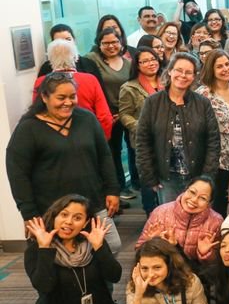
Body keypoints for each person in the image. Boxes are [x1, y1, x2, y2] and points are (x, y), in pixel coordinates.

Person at [7, 74, 121, 254]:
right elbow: (17, 173)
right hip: (52, 209)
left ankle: (101, 284)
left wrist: (112, 189)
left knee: (110, 247)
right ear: (44, 97)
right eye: (61, 97)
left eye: (72, 96)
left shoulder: (87, 119)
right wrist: (28, 212)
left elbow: (105, 157)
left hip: (92, 202)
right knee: (61, 258)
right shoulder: (28, 128)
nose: (68, 102)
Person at [136, 52, 221, 204]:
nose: (183, 75)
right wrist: (150, 177)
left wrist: (207, 178)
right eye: (179, 70)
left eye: (188, 72)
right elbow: (143, 142)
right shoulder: (152, 102)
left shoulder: (202, 103)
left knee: (198, 223)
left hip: (197, 176)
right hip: (167, 178)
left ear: (194, 76)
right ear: (170, 71)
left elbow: (213, 142)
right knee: (171, 222)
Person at [196, 50, 229, 216]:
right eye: (219, 66)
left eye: (227, 64)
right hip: (218, 160)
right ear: (211, 69)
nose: (225, 69)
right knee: (219, 206)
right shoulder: (203, 94)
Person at [87, 25, 134, 198]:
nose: (111, 46)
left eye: (114, 41)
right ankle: (117, 188)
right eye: (105, 43)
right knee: (112, 152)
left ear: (120, 42)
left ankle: (131, 184)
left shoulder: (128, 62)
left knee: (131, 149)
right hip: (107, 115)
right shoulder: (93, 60)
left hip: (126, 113)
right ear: (99, 45)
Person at [34, 39, 113, 139]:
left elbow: (37, 114)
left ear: (50, 59)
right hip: (87, 136)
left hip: (53, 139)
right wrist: (103, 140)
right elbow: (104, 116)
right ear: (76, 58)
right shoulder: (90, 80)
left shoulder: (41, 82)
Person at [135, 175, 222, 265]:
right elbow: (139, 251)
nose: (194, 200)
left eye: (203, 198)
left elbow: (217, 264)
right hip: (163, 271)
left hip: (196, 272)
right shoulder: (160, 212)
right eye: (192, 192)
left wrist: (205, 254)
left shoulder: (216, 221)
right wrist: (153, 243)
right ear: (185, 190)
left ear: (209, 202)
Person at [118, 47, 163, 215]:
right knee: (149, 181)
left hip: (170, 139)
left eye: (153, 59)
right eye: (145, 61)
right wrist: (142, 128)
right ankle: (152, 216)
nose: (151, 63)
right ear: (137, 65)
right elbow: (124, 115)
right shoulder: (129, 87)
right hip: (145, 141)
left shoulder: (169, 81)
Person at [37, 24, 102, 78]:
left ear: (74, 40)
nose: (64, 44)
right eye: (59, 41)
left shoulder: (88, 64)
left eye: (68, 39)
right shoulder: (46, 68)